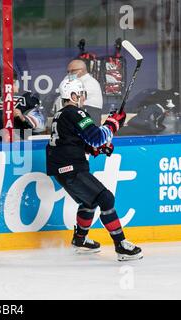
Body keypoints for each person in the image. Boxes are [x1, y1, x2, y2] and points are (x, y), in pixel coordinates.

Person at [45, 78, 142, 261]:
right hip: (70, 167)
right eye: (81, 94)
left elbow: (76, 140)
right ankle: (120, 245)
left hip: (63, 168)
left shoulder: (61, 114)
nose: (83, 98)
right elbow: (96, 136)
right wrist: (113, 123)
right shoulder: (76, 112)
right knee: (105, 198)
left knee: (89, 202)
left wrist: (94, 148)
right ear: (73, 96)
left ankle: (80, 240)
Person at [0, 68, 46, 140]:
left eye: (12, 82)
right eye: (6, 83)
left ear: (16, 82)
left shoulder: (27, 98)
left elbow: (41, 124)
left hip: (25, 145)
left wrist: (23, 117)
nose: (9, 86)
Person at [53, 59, 103, 124]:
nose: (69, 73)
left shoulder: (91, 82)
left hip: (89, 114)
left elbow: (74, 99)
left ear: (81, 70)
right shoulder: (70, 78)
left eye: (72, 71)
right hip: (73, 113)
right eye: (68, 71)